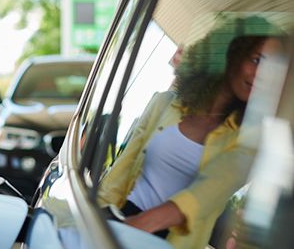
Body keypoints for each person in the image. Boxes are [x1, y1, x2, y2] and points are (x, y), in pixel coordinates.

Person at [98, 16, 283, 248]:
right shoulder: (164, 104)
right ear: (230, 54)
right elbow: (120, 173)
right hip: (120, 217)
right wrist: (93, 218)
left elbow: (207, 193)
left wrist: (138, 226)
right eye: (256, 60)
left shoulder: (250, 139)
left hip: (168, 240)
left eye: (273, 68)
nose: (262, 75)